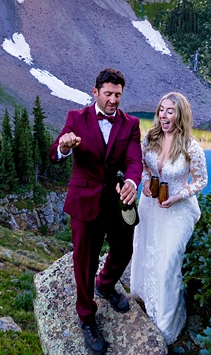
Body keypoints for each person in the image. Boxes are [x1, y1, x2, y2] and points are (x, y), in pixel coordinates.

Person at [49, 67, 143, 354]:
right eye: (108, 94)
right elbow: (54, 154)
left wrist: (131, 180)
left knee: (124, 250)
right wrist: (64, 147)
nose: (114, 100)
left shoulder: (131, 124)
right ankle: (87, 316)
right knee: (84, 262)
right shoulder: (75, 118)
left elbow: (134, 161)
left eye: (118, 95)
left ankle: (105, 284)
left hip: (116, 200)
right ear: (95, 92)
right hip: (84, 201)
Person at [130, 91, 208, 345]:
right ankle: (144, 296)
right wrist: (145, 183)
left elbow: (201, 180)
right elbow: (142, 166)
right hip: (150, 205)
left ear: (180, 115)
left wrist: (178, 196)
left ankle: (166, 321)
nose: (163, 115)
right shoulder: (150, 137)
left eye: (170, 111)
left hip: (177, 210)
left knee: (168, 263)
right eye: (161, 110)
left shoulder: (191, 147)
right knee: (145, 250)